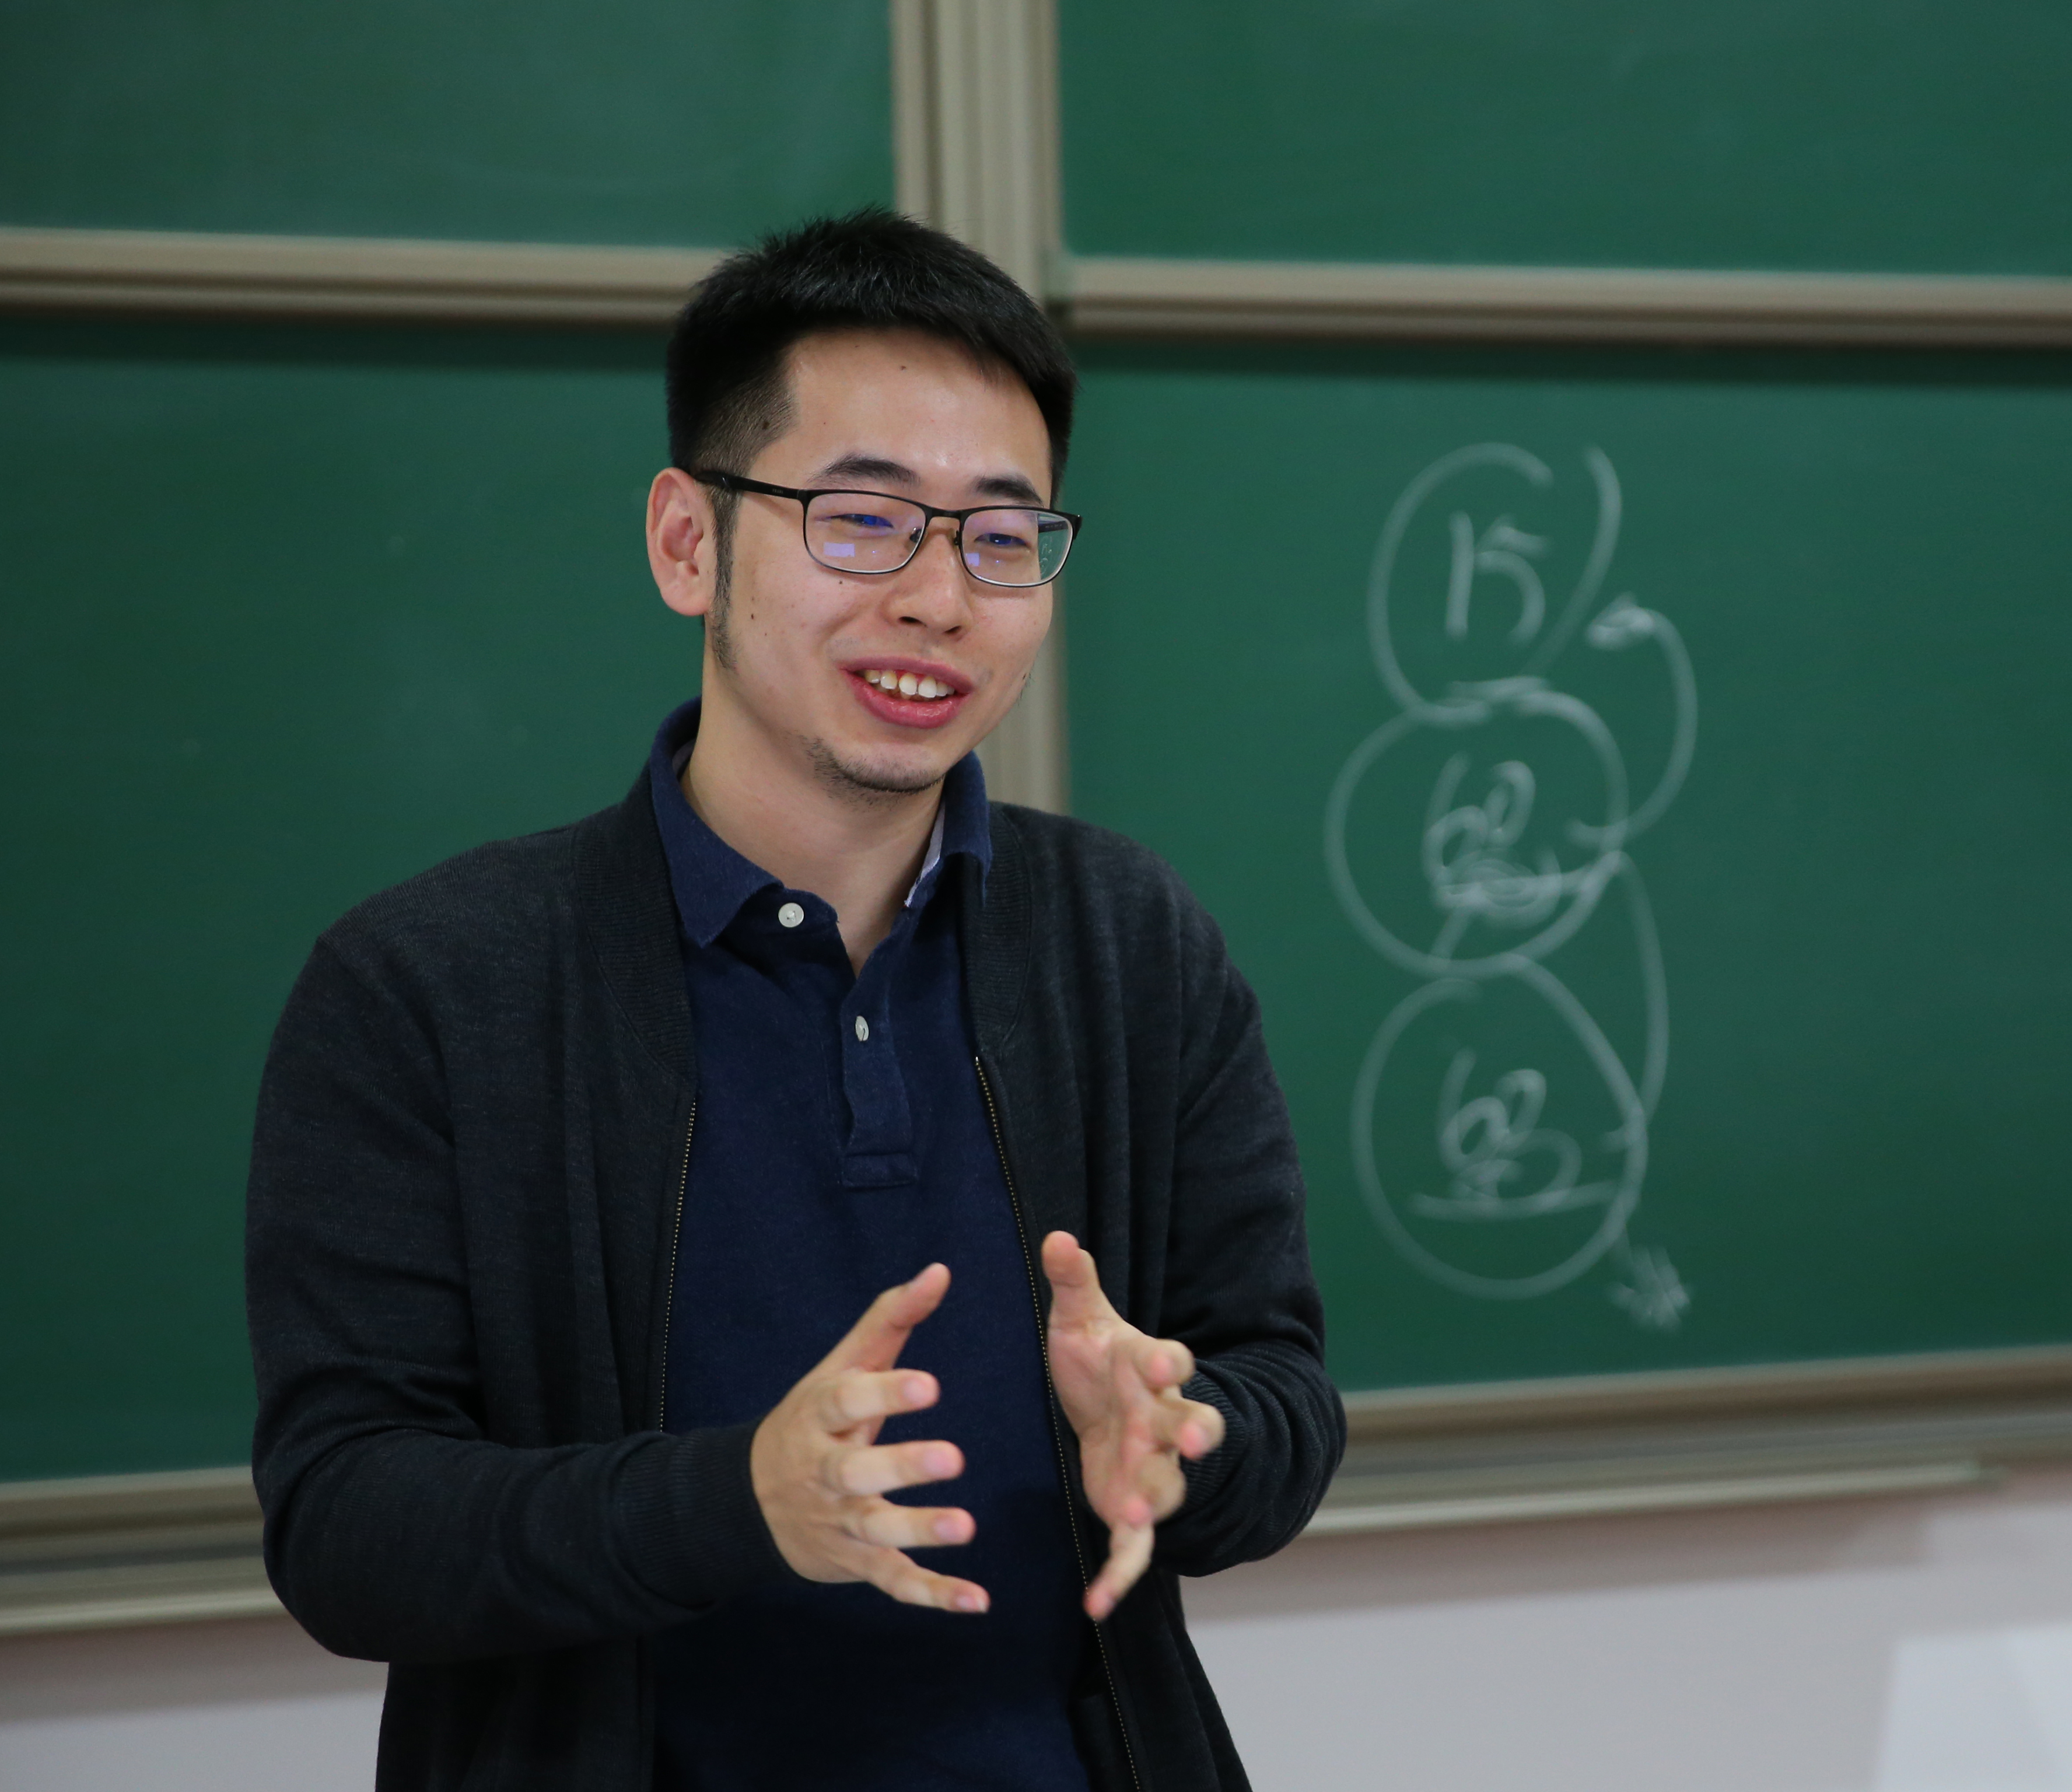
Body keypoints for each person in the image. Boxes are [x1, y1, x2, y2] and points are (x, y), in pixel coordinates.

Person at [244, 209, 1343, 1792]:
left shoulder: (1129, 942)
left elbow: (1280, 1393)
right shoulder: (427, 985)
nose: (939, 598)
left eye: (1000, 537)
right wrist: (739, 1502)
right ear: (686, 542)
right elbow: (346, 1529)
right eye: (863, 520)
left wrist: (1192, 1443)